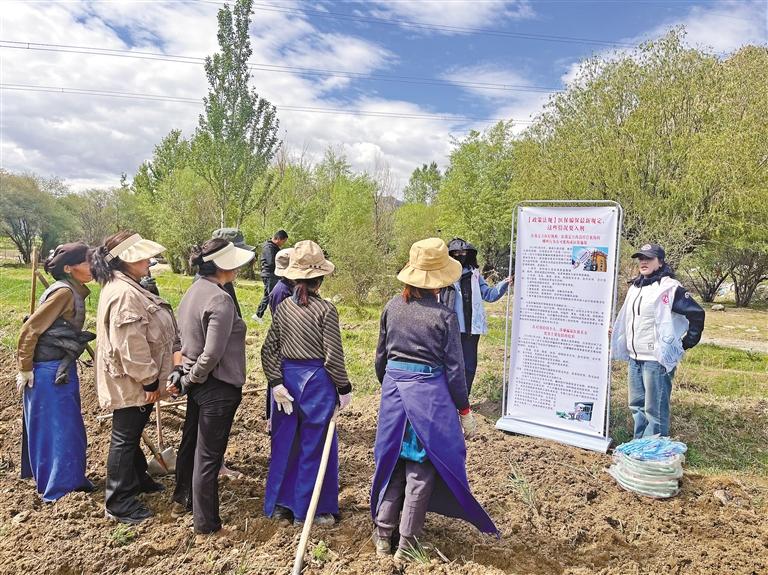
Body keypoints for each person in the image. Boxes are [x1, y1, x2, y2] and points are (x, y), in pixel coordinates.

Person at [371, 238, 498, 561]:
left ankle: (382, 536)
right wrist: (464, 409)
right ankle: (406, 544)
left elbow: (380, 360)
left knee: (393, 464)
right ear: (440, 280)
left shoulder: (391, 307)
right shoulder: (444, 317)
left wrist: (393, 387)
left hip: (394, 397)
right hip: (428, 399)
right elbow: (456, 371)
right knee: (421, 468)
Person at [91, 231, 181, 524]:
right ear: (125, 260)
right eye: (142, 257)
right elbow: (131, 346)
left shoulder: (126, 286)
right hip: (132, 381)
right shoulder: (125, 294)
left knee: (131, 431)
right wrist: (149, 380)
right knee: (125, 437)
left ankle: (137, 478)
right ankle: (119, 501)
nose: (148, 261)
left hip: (133, 378)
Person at [261, 240, 352, 526]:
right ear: (320, 279)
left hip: (287, 382)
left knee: (284, 443)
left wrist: (276, 382)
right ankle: (311, 510)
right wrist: (344, 388)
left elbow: (268, 350)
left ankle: (280, 506)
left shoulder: (283, 308)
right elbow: (333, 357)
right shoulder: (326, 310)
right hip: (317, 383)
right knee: (315, 445)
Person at [168, 238, 254, 534]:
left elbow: (183, 339)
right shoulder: (221, 299)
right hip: (216, 384)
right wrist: (191, 378)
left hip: (197, 382)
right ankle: (206, 524)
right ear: (221, 266)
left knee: (191, 443)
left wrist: (185, 376)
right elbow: (212, 353)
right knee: (208, 456)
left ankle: (184, 498)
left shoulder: (194, 291)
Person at [15, 242, 96, 501]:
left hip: (59, 368)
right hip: (48, 371)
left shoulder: (72, 290)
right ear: (69, 268)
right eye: (87, 262)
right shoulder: (63, 293)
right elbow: (30, 329)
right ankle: (58, 490)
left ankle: (71, 481)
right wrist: (25, 368)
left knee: (69, 428)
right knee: (56, 431)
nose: (92, 266)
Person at [611, 243, 705, 438]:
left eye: (649, 258)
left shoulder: (669, 288)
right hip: (635, 357)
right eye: (641, 258)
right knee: (636, 405)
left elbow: (697, 313)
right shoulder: (635, 287)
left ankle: (655, 449)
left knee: (655, 410)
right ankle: (639, 446)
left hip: (656, 359)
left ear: (660, 262)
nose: (643, 262)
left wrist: (685, 343)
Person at [440, 238, 512, 395]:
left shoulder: (475, 275)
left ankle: (464, 400)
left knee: (469, 366)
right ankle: (447, 399)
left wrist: (505, 283)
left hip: (471, 330)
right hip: (449, 329)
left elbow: (489, 295)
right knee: (448, 365)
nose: (460, 255)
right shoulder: (442, 275)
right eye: (455, 253)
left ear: (469, 254)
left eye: (463, 253)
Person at [254, 229, 289, 320]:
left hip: (271, 275)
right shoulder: (269, 247)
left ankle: (258, 315)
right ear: (278, 239)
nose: (283, 244)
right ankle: (276, 317)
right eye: (283, 241)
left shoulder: (273, 247)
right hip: (270, 275)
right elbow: (271, 262)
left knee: (268, 296)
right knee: (273, 296)